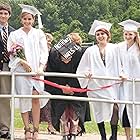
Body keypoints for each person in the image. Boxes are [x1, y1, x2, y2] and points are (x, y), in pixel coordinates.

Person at [7, 4, 49, 140]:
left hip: (36, 71)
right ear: (21, 20)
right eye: (25, 19)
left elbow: (44, 51)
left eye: (30, 19)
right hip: (21, 71)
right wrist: (21, 62)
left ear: (33, 20)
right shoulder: (14, 35)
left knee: (36, 97)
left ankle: (36, 129)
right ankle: (27, 129)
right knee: (24, 98)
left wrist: (41, 67)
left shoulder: (39, 34)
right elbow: (11, 53)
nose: (27, 21)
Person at [76, 20, 119, 140]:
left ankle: (114, 135)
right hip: (96, 86)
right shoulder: (90, 51)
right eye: (98, 34)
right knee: (98, 111)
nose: (100, 36)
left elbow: (122, 63)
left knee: (115, 108)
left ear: (108, 35)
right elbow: (82, 68)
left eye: (102, 34)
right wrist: (86, 73)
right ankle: (103, 136)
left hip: (112, 85)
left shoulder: (115, 48)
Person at [45, 32, 90, 140]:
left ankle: (73, 132)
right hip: (60, 86)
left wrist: (71, 87)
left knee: (75, 110)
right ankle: (65, 132)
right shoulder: (54, 53)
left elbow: (83, 70)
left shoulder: (81, 54)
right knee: (62, 109)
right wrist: (62, 87)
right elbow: (51, 71)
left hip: (76, 87)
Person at [118, 19, 140, 140]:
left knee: (136, 109)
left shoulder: (139, 47)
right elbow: (117, 63)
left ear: (135, 34)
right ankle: (127, 137)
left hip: (137, 84)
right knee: (125, 110)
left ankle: (135, 135)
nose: (128, 36)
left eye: (130, 34)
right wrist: (121, 73)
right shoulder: (119, 47)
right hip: (124, 83)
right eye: (126, 34)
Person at [0, 3, 15, 139]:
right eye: (1, 13)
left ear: (9, 15)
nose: (3, 16)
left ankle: (4, 129)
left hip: (6, 66)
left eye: (5, 13)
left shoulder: (14, 32)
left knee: (4, 98)